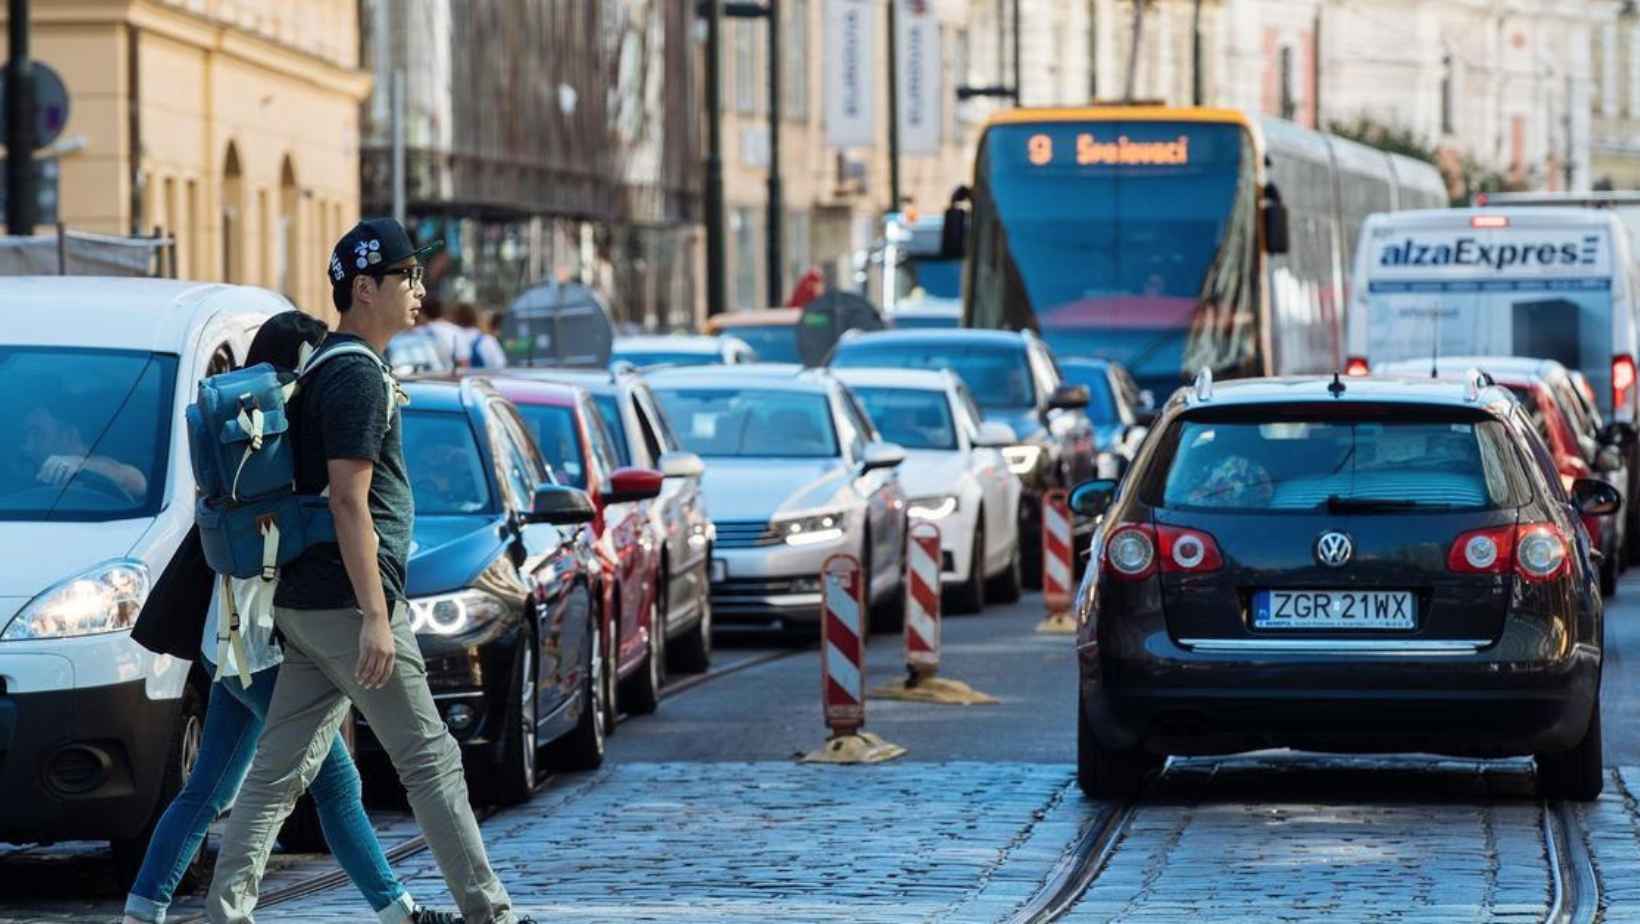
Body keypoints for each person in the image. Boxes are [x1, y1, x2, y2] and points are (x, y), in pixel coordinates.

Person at [203, 219, 533, 923]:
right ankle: (490, 912)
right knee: (430, 759)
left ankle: (226, 911)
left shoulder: (331, 363)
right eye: (408, 277)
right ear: (365, 286)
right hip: (350, 608)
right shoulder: (354, 374)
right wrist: (378, 619)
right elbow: (349, 501)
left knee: (276, 772)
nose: (420, 290)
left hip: (306, 599)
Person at [122, 311, 457, 924]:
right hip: (261, 641)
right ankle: (395, 909)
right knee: (333, 782)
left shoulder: (243, 434)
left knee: (212, 787)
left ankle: (142, 910)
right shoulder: (276, 431)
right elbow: (332, 514)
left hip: (227, 636)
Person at [22, 403, 147, 499]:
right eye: (25, 436)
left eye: (37, 434)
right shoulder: (26, 476)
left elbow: (138, 483)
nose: (27, 447)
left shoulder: (107, 466)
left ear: (69, 435)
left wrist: (81, 465)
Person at [451, 301, 506, 369]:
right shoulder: (487, 340)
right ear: (475, 318)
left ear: (455, 318)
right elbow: (500, 365)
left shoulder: (450, 338)